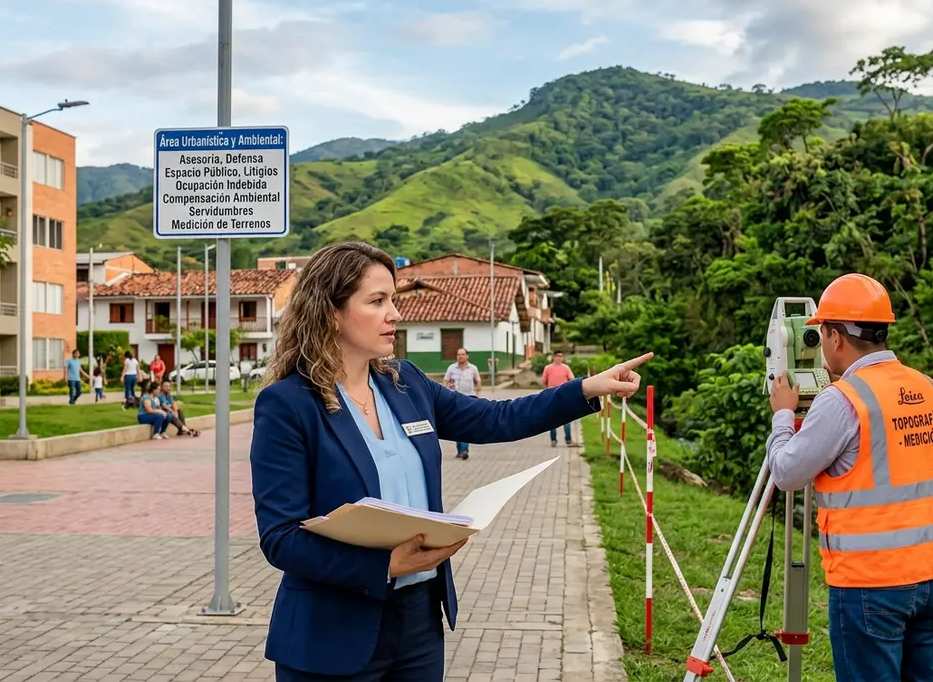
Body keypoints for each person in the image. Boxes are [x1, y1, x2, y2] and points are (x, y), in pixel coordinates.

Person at [249, 241, 652, 681]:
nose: (394, 314)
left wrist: (585, 389)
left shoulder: (406, 383)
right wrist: (383, 566)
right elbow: (281, 538)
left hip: (418, 624)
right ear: (332, 312)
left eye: (393, 299)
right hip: (330, 635)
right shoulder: (288, 405)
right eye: (377, 301)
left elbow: (497, 418)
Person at [765, 273, 933, 682]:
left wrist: (783, 414)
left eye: (822, 334)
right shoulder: (931, 390)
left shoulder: (842, 401)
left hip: (872, 583)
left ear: (835, 337)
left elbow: (786, 473)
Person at [443, 348, 481, 460]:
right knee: (457, 424)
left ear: (467, 356)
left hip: (469, 399)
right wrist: (444, 394)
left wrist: (478, 395)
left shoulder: (473, 368)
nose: (460, 356)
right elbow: (445, 380)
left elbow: (478, 381)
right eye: (458, 354)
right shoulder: (451, 368)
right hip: (455, 399)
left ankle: (463, 449)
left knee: (465, 424)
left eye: (463, 354)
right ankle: (461, 449)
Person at [541, 351, 576, 447]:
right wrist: (547, 391)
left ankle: (568, 439)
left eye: (561, 356)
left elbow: (572, 379)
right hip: (552, 395)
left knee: (566, 418)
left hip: (564, 395)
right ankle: (553, 439)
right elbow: (543, 381)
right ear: (554, 357)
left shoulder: (566, 368)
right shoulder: (548, 368)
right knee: (552, 418)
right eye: (558, 356)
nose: (559, 358)